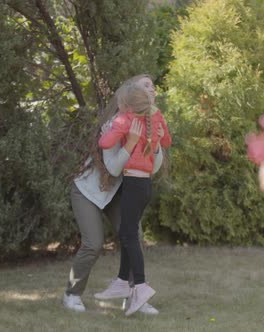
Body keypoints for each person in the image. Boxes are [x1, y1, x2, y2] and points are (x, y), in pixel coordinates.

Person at [62, 75, 164, 315]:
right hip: (88, 191)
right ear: (129, 98)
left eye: (152, 86)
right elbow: (113, 168)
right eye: (145, 86)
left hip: (116, 191)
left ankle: (135, 296)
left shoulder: (150, 122)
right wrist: (132, 142)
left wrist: (156, 143)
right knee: (93, 243)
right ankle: (72, 293)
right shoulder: (115, 124)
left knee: (134, 235)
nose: (151, 90)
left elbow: (154, 167)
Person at [96, 81, 172, 316]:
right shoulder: (156, 118)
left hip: (132, 184)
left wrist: (117, 129)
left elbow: (104, 143)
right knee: (129, 233)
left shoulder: (126, 120)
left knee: (128, 235)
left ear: (126, 104)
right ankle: (121, 281)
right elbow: (166, 141)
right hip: (145, 186)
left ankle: (139, 286)